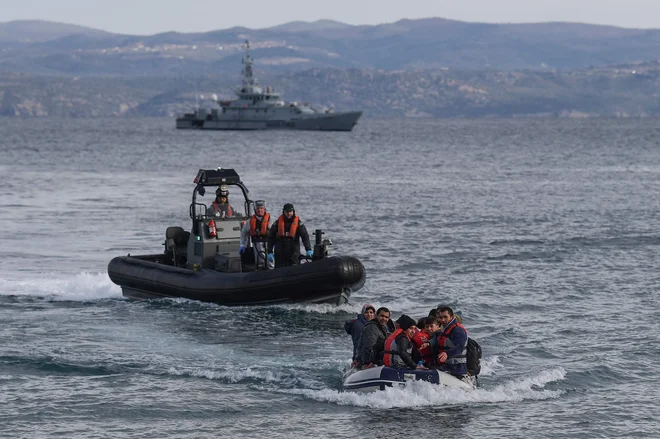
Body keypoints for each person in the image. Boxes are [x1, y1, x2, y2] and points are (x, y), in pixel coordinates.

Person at [266, 203, 312, 268]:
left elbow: (305, 236)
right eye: (287, 211)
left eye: (290, 211)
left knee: (295, 270)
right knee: (279, 271)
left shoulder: (298, 223)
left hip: (294, 253)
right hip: (280, 254)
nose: (289, 213)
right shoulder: (277, 223)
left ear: (293, 212)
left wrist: (308, 249)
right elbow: (270, 237)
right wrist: (270, 252)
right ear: (283, 212)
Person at [428, 306, 468, 378]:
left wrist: (447, 353)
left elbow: (459, 347)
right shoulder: (443, 329)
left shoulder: (458, 330)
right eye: (440, 317)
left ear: (452, 316)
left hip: (456, 369)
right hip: (444, 366)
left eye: (445, 317)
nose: (443, 320)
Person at [239, 200, 272, 269]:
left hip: (268, 246)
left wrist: (273, 248)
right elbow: (243, 233)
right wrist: (243, 245)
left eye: (261, 208)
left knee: (270, 263)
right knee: (259, 263)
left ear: (264, 209)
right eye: (258, 208)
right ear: (255, 209)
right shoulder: (250, 221)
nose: (259, 210)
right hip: (256, 245)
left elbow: (276, 234)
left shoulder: (270, 220)